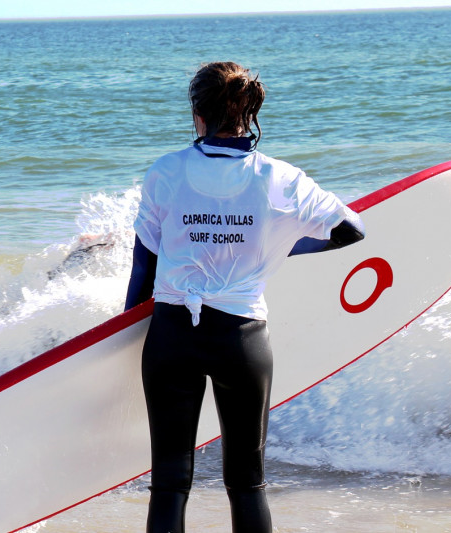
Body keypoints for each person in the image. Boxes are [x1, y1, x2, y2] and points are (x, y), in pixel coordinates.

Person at [125, 62, 365, 533]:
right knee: (246, 482)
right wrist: (283, 245)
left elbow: (143, 269)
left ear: (197, 112)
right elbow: (352, 229)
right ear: (250, 110)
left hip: (172, 335)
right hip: (241, 339)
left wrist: (125, 337)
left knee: (169, 482)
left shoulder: (166, 171)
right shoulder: (280, 178)